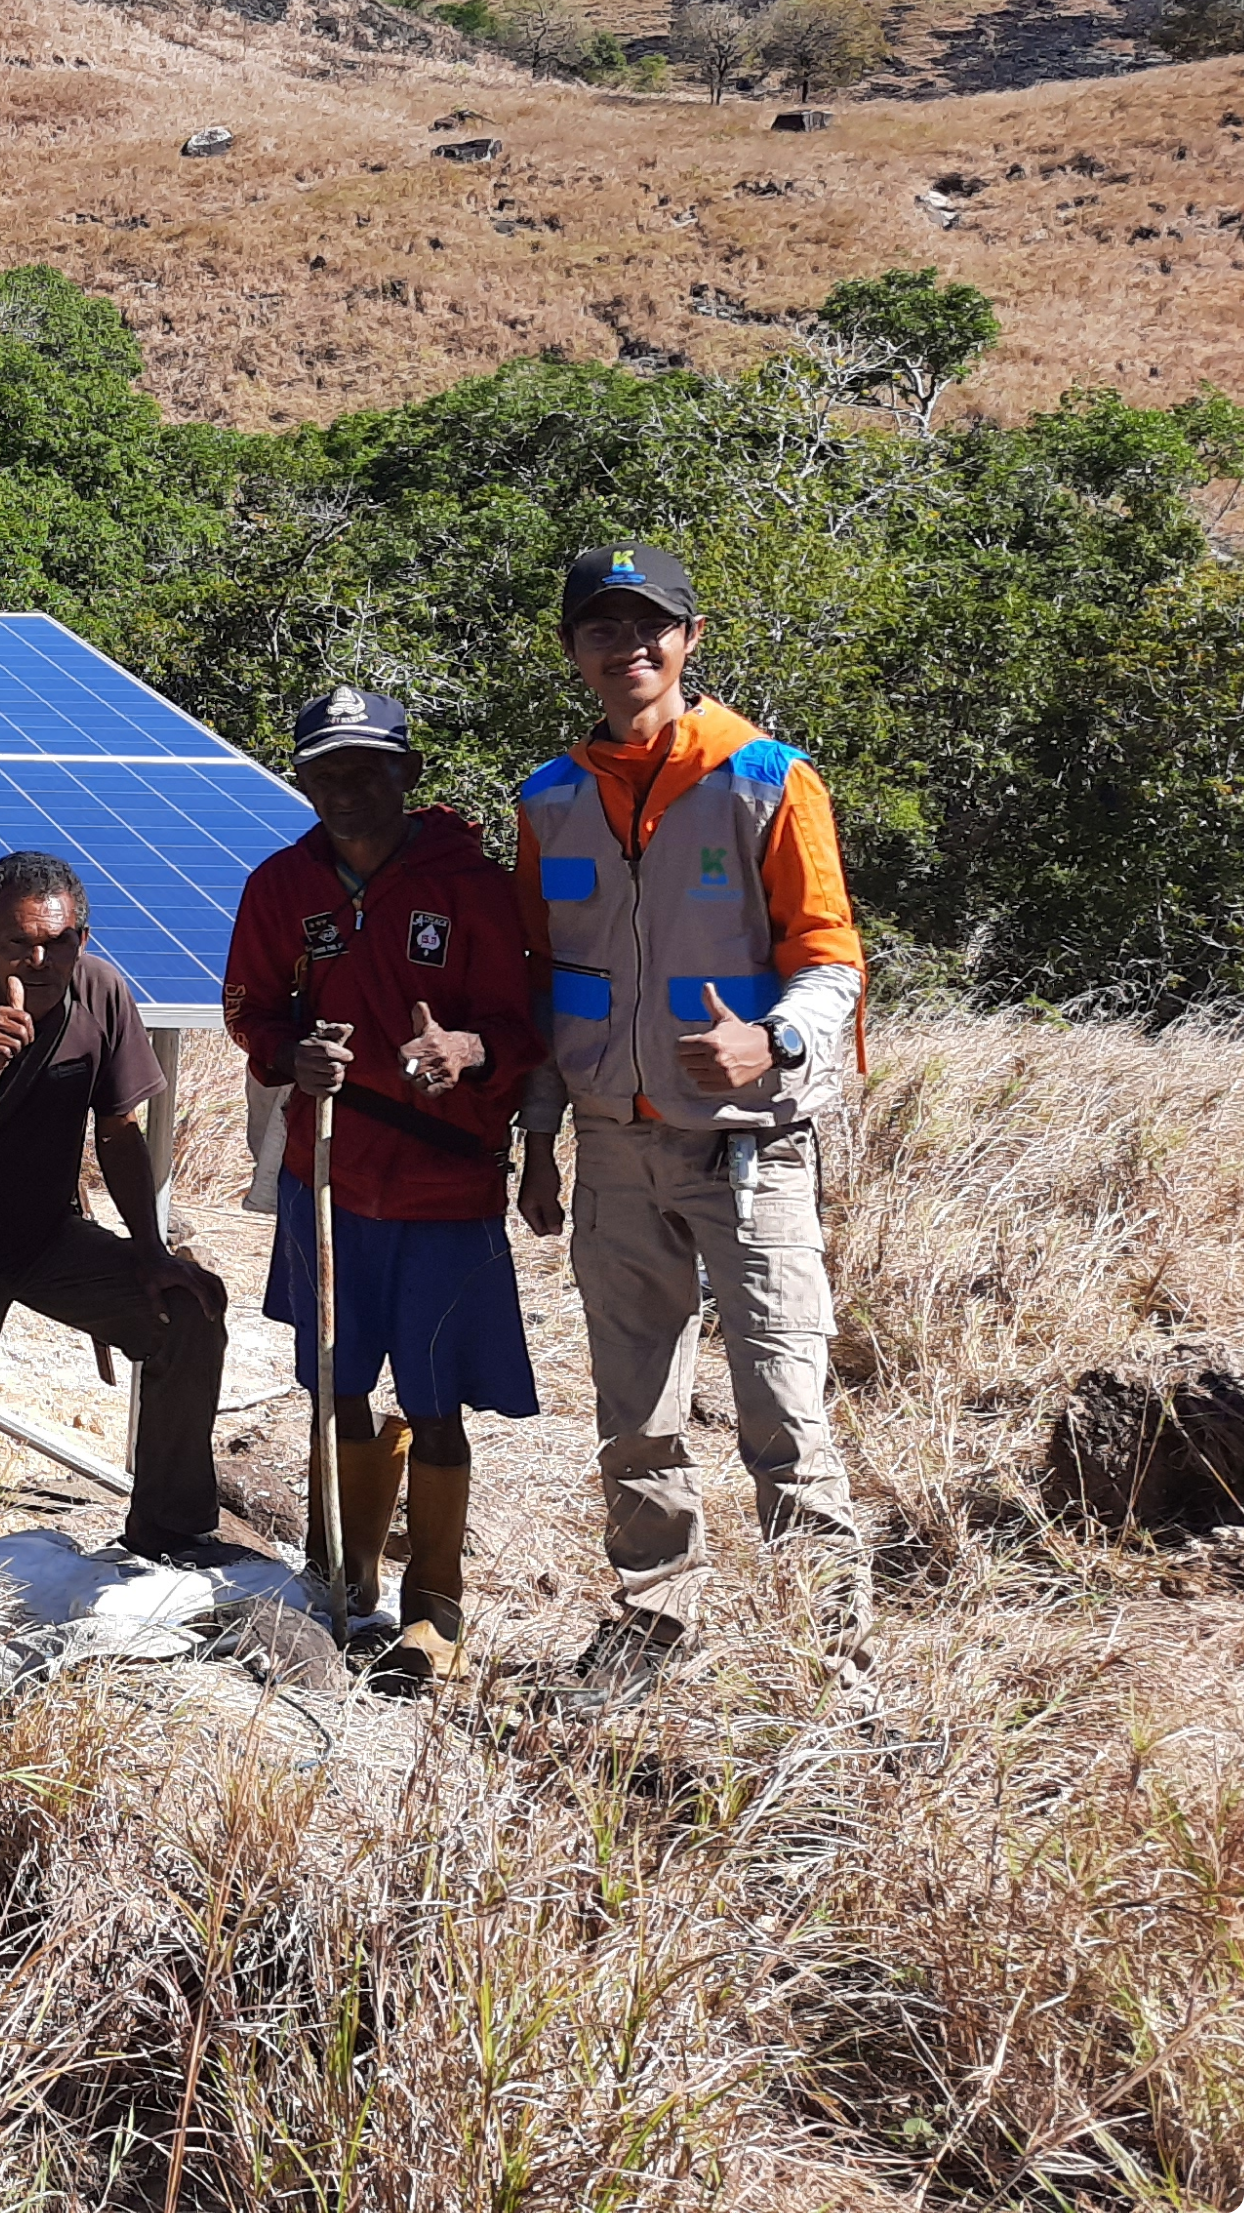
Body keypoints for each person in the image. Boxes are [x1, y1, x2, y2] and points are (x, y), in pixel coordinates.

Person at [512, 542, 869, 1689]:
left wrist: (776, 1038)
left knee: (782, 1412)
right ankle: (653, 1627)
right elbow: (539, 980)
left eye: (649, 625)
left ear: (692, 637)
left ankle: (830, 1664)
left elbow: (833, 959)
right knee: (634, 1414)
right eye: (602, 630)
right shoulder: (549, 800)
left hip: (748, 1147)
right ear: (573, 652)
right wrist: (537, 1141)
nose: (629, 648)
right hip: (613, 1146)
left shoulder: (766, 777)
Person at [220, 687, 545, 1691]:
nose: (345, 788)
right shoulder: (282, 885)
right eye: (324, 770)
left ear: (406, 770)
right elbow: (250, 1008)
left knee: (437, 1396)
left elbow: (525, 1028)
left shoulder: (473, 888)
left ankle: (434, 1606)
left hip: (445, 1187)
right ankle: (344, 1579)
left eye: (366, 767)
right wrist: (289, 1055)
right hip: (330, 1174)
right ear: (302, 779)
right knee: (335, 1386)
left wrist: (469, 1048)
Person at [0, 852, 230, 1570]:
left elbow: (118, 1131)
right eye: (19, 943)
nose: (41, 959)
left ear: (84, 938)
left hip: (48, 1239)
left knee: (188, 1312)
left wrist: (150, 1251)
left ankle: (171, 1532)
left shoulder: (102, 992)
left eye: (60, 941)